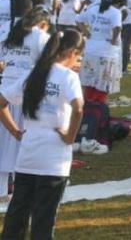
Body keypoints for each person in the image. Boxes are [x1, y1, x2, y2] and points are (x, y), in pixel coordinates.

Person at [0, 27, 84, 240]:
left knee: (17, 212)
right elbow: (79, 108)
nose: (79, 61)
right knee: (44, 218)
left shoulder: (34, 73)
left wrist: (16, 132)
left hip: (28, 151)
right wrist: (70, 137)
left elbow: (2, 103)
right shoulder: (68, 77)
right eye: (79, 56)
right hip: (54, 156)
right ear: (72, 52)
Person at [0, 5, 51, 182]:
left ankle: (4, 186)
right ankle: (18, 183)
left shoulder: (9, 31)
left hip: (5, 91)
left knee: (4, 144)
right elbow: (49, 63)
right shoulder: (40, 36)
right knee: (22, 141)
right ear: (43, 23)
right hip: (25, 92)